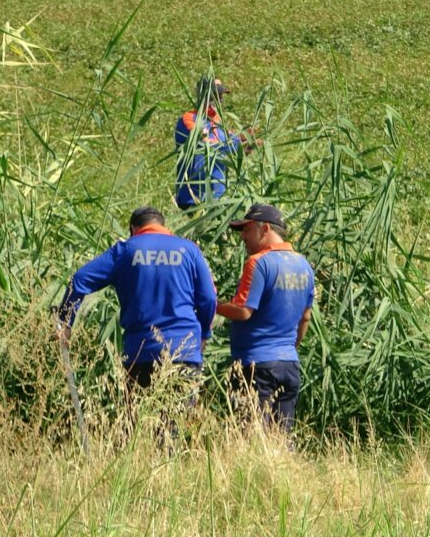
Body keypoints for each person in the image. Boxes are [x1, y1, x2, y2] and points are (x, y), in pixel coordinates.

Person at [56, 206, 217, 412]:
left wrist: (64, 323)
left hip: (140, 353)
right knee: (175, 423)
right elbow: (209, 298)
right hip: (184, 350)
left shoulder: (125, 250)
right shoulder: (189, 250)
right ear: (163, 225)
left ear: (133, 229)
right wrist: (204, 333)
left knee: (140, 426)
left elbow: (79, 281)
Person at [216, 203, 315, 434]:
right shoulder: (304, 266)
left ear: (265, 229)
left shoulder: (258, 263)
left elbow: (243, 311)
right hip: (289, 365)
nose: (243, 237)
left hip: (256, 366)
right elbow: (306, 318)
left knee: (249, 439)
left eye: (247, 229)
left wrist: (212, 306)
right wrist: (290, 349)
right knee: (282, 440)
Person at [174, 76, 256, 210]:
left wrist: (247, 140)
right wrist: (236, 146)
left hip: (219, 197)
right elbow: (206, 146)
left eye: (221, 95)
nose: (220, 100)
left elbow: (231, 141)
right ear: (203, 95)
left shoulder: (217, 122)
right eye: (216, 95)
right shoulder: (189, 119)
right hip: (195, 197)